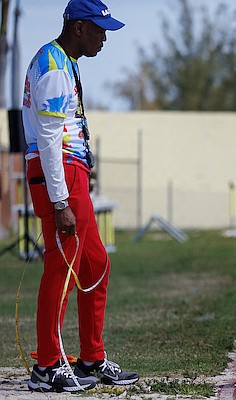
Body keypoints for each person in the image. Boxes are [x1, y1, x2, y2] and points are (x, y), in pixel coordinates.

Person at [23, 0, 139, 392]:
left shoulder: (63, 61)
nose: (104, 38)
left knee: (95, 265)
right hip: (60, 177)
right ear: (77, 28)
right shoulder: (55, 68)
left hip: (73, 173)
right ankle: (48, 366)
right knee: (62, 268)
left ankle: (91, 358)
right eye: (99, 29)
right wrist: (60, 203)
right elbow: (50, 140)